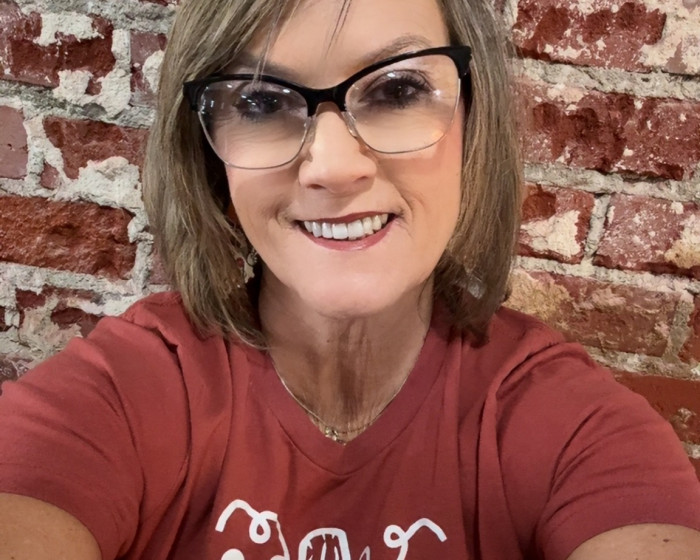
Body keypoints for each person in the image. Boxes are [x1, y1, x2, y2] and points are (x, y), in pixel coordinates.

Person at [0, 0, 698, 558]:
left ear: (472, 119)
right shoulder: (133, 390)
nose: (333, 166)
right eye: (261, 102)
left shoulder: (563, 424)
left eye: (398, 89)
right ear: (211, 155)